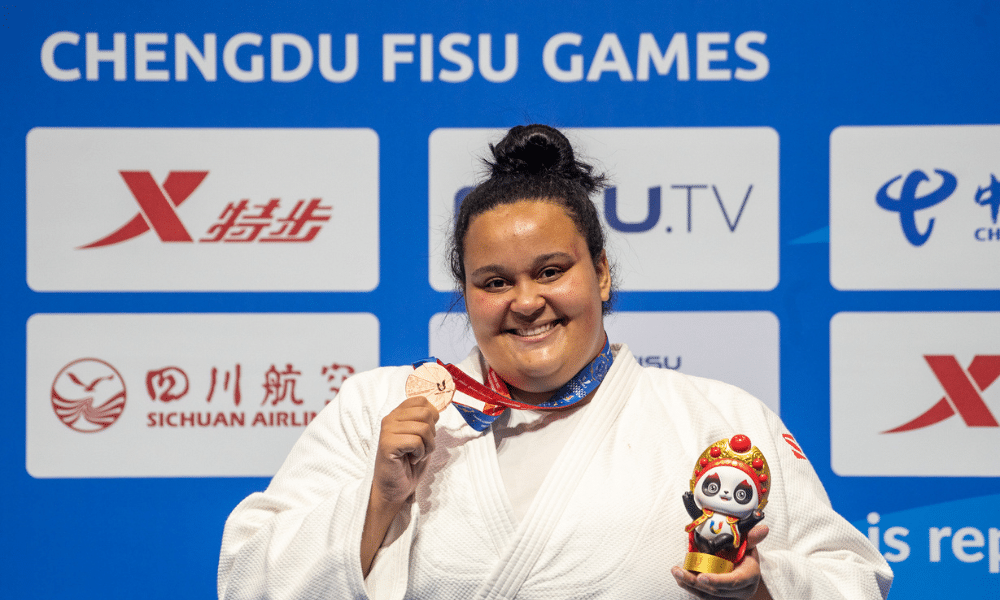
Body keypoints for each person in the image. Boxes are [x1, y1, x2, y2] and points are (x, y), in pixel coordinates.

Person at [218, 124, 893, 600]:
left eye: (551, 270)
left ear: (601, 274)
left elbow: (853, 580)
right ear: (467, 295)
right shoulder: (379, 410)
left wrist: (761, 591)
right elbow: (247, 580)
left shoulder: (719, 421)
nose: (526, 302)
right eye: (494, 281)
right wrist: (378, 499)